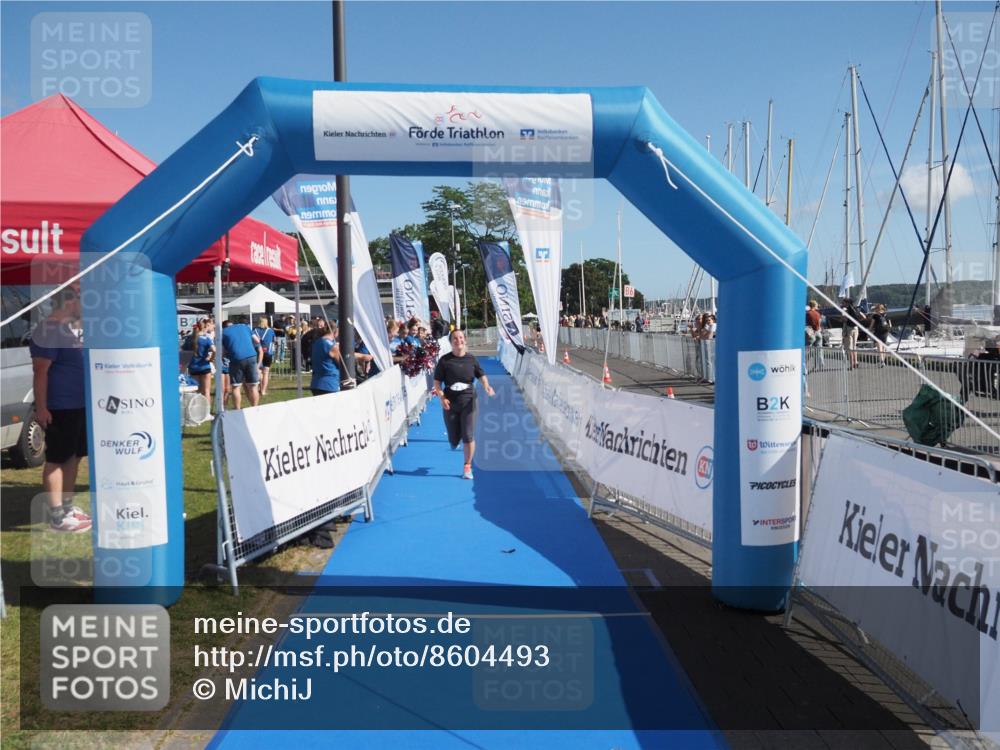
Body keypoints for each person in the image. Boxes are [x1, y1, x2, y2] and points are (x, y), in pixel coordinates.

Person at [30, 288, 92, 532]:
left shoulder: (67, 330)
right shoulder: (47, 330)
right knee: (57, 458)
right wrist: (42, 407)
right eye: (81, 299)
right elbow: (40, 371)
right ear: (69, 301)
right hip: (60, 407)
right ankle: (57, 515)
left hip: (78, 405)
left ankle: (67, 506)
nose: (84, 305)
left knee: (74, 457)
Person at [433, 328, 495, 480]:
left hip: (469, 399)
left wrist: (486, 386)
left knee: (468, 435)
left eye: (461, 337)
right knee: (454, 440)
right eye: (455, 338)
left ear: (465, 340)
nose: (458, 340)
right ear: (451, 342)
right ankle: (456, 439)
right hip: (450, 401)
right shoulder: (444, 361)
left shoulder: (471, 359)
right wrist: (442, 397)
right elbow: (437, 383)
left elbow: (481, 375)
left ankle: (467, 466)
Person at [222, 316, 262, 408]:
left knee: (236, 387)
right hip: (251, 356)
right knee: (253, 386)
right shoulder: (245, 327)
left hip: (236, 358)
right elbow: (257, 340)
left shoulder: (223, 332)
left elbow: (222, 352)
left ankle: (237, 410)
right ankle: (255, 408)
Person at [310, 321, 342, 396]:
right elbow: (343, 364)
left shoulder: (317, 342)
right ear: (336, 330)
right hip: (330, 384)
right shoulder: (332, 346)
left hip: (316, 383)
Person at [187, 319, 215, 400]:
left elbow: (182, 350)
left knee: (196, 391)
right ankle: (207, 411)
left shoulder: (189, 338)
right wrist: (211, 359)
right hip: (204, 366)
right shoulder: (206, 339)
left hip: (193, 367)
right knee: (206, 391)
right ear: (205, 327)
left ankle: (195, 411)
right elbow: (214, 350)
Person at [253, 316, 276, 397]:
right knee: (266, 372)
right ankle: (263, 391)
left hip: (257, 352)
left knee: (259, 371)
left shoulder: (254, 330)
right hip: (267, 353)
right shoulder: (270, 331)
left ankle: (259, 388)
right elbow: (274, 340)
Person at [841, 298, 863, 370]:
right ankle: (856, 362)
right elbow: (863, 317)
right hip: (856, 328)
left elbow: (844, 319)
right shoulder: (856, 309)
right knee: (854, 346)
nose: (842, 304)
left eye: (843, 303)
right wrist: (856, 321)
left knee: (849, 348)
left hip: (849, 329)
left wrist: (842, 315)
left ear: (847, 303)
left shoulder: (847, 310)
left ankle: (851, 365)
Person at [805, 300, 824, 370]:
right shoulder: (818, 314)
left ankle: (804, 366)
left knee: (808, 350)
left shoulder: (808, 314)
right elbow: (820, 323)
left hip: (811, 334)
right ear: (814, 306)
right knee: (819, 350)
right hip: (818, 333)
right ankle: (820, 365)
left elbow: (806, 324)